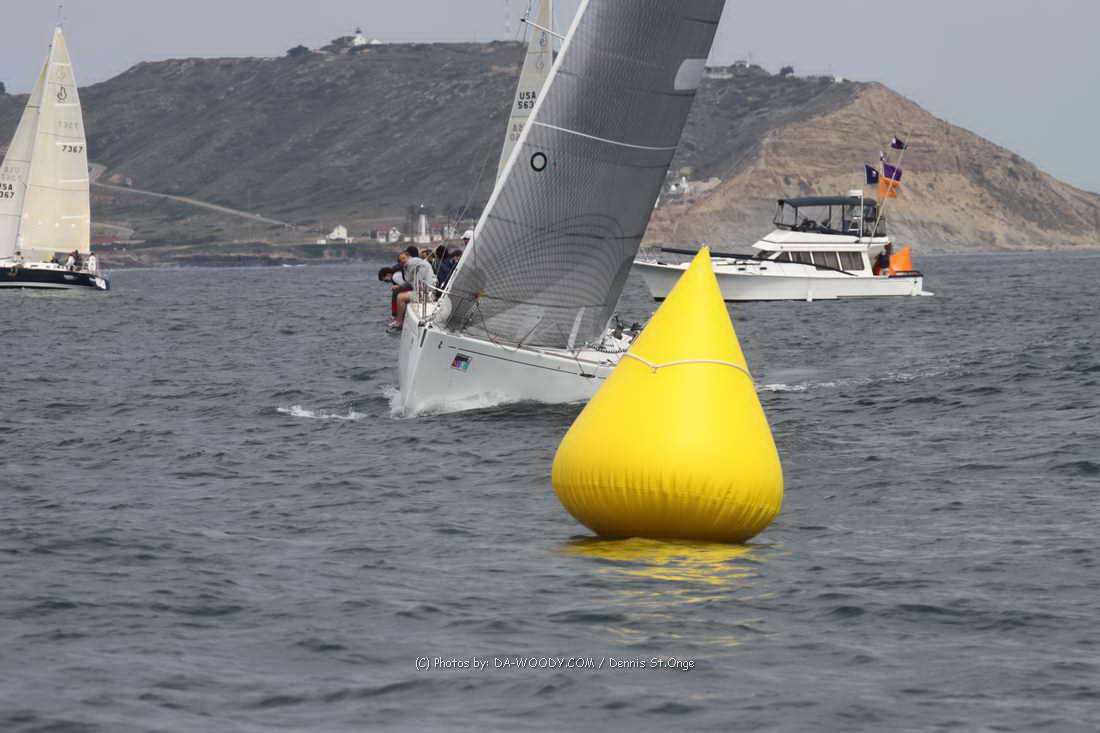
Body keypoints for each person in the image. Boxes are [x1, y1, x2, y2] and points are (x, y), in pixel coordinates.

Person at [392, 250, 437, 329]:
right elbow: (410, 282)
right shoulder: (416, 264)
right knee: (401, 294)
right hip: (428, 292)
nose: (402, 261)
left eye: (403, 258)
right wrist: (399, 286)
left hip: (426, 294)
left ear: (409, 257)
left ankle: (399, 322)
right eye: (400, 260)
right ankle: (401, 319)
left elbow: (410, 280)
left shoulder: (412, 263)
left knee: (400, 297)